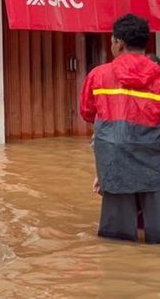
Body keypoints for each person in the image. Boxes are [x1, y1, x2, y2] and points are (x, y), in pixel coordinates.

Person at [80, 14, 160, 243]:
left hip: (114, 163)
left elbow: (87, 113)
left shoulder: (99, 75)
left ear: (119, 43)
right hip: (154, 163)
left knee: (118, 241)